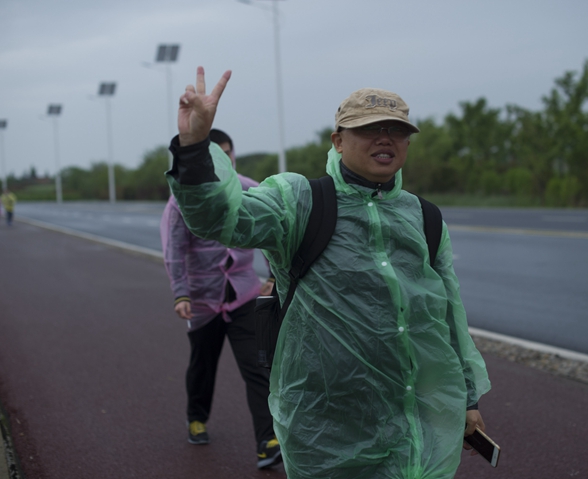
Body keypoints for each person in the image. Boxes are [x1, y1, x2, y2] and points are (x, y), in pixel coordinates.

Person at [166, 68, 491, 479]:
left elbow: (446, 317)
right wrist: (194, 146)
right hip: (325, 428)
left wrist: (468, 398)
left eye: (397, 130)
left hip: (411, 427)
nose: (385, 138)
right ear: (338, 141)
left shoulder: (424, 218)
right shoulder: (299, 200)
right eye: (369, 129)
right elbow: (219, 219)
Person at [160, 128, 282, 469]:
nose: (224, 159)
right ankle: (196, 418)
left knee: (259, 365)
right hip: (202, 299)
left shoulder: (250, 188)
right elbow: (174, 250)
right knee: (203, 364)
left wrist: (273, 276)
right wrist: (180, 293)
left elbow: (274, 231)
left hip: (244, 294)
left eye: (228, 153)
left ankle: (267, 440)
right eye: (217, 154)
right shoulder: (182, 200)